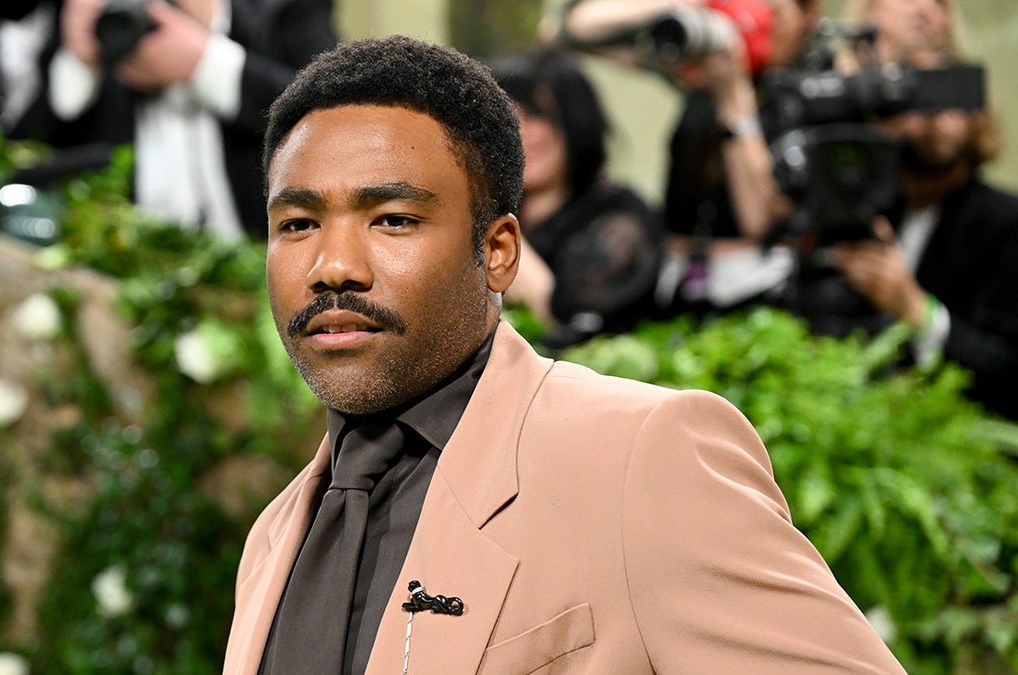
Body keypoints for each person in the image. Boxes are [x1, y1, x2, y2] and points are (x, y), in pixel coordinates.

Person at [223, 34, 905, 673]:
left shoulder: (642, 457)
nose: (333, 265)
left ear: (497, 253)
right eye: (299, 223)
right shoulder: (274, 535)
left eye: (393, 218)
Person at [551, 0, 820, 316]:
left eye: (773, 13)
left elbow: (759, 219)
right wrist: (692, 8)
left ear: (807, 16)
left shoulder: (813, 92)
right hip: (675, 283)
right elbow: (571, 29)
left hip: (754, 293)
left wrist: (734, 102)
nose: (759, 21)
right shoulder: (703, 67)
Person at [23, 0, 336, 239]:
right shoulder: (107, 19)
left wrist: (205, 62)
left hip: (260, 256)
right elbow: (25, 147)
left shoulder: (288, 9)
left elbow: (331, 118)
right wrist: (81, 63)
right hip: (129, 264)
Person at [828, 48, 1018, 420]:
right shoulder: (864, 208)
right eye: (920, 98)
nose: (935, 116)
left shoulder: (1005, 222)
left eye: (953, 99)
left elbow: (1008, 370)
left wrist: (916, 309)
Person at [491, 45, 663, 346]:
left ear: (574, 121)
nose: (519, 132)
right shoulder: (491, 207)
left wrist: (487, 221)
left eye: (534, 115)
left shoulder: (619, 215)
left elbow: (562, 314)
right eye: (506, 119)